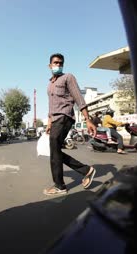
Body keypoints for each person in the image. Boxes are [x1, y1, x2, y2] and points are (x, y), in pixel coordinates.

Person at [44, 53, 97, 196]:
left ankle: (60, 186)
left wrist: (87, 119)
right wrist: (49, 123)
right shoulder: (50, 84)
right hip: (55, 119)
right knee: (55, 152)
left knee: (54, 151)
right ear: (50, 65)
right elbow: (51, 106)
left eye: (60, 63)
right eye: (55, 63)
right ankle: (86, 170)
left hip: (65, 117)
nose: (58, 65)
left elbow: (79, 98)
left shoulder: (68, 77)